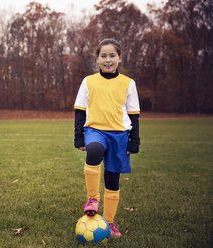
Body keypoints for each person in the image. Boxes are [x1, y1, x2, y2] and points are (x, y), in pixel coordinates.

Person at [73, 38, 140, 238]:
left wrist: (134, 140)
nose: (108, 60)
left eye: (112, 55)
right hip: (95, 130)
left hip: (119, 135)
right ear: (97, 59)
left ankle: (109, 223)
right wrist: (79, 137)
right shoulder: (89, 81)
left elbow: (134, 113)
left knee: (112, 180)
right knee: (94, 150)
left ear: (119, 58)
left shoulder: (128, 83)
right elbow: (80, 110)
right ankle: (92, 200)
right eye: (103, 56)